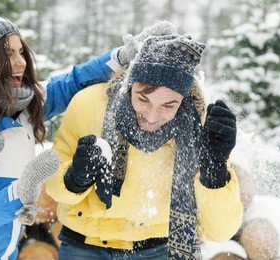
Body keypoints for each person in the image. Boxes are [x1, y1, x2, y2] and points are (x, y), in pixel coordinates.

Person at [0, 12, 174, 260]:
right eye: (7, 54)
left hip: (3, 253)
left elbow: (71, 83)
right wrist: (18, 193)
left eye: (21, 52)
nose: (20, 63)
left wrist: (122, 56)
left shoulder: (22, 104)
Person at [46, 34, 244, 259]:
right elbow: (54, 187)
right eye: (143, 99)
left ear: (185, 98)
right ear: (131, 83)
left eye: (168, 105)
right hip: (84, 246)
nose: (151, 117)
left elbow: (221, 231)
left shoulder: (200, 124)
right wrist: (75, 177)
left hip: (160, 248)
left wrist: (215, 170)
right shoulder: (89, 104)